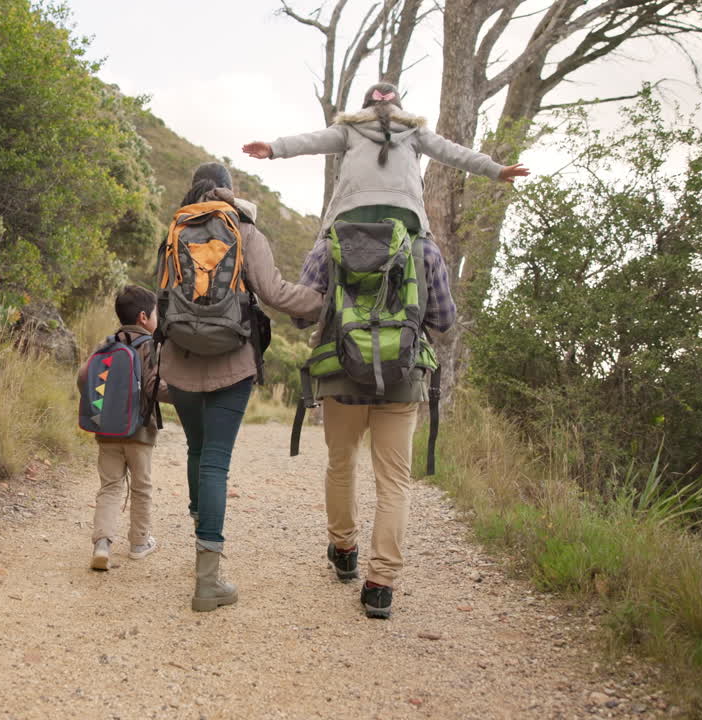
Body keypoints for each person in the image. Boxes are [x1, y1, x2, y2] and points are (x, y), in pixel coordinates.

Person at [242, 82, 530, 619]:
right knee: (394, 479)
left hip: (341, 378)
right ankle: (380, 584)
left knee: (340, 465)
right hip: (401, 378)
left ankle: (344, 550)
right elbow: (442, 319)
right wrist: (496, 170)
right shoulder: (422, 248)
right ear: (398, 111)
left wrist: (273, 149)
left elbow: (305, 309)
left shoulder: (330, 245)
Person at [159, 162, 324, 612]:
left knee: (197, 450)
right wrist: (328, 302)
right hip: (233, 360)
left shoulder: (176, 228)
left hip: (180, 359)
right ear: (229, 192)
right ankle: (206, 580)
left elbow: (163, 296)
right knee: (216, 462)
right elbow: (276, 293)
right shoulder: (244, 230)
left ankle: (201, 544)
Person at [78, 285, 167, 571]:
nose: (158, 319)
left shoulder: (106, 344)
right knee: (141, 487)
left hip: (107, 430)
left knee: (110, 486)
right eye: (156, 314)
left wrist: (101, 407)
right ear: (144, 317)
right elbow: (156, 387)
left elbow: (83, 377)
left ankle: (102, 543)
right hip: (140, 431)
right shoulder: (150, 346)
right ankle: (140, 543)